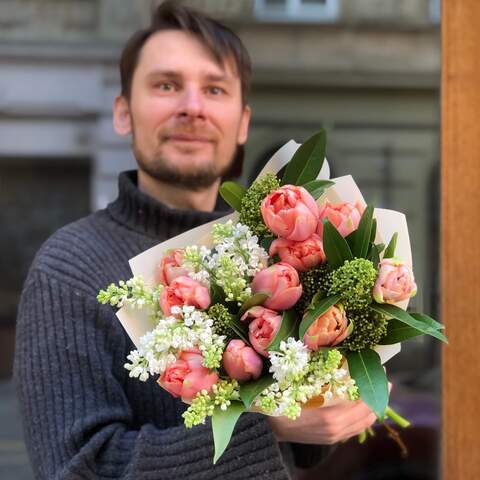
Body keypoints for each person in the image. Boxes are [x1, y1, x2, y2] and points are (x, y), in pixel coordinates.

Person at [14, 2, 377, 479]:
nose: (192, 106)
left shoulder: (272, 251)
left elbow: (300, 449)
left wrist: (331, 401)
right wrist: (267, 429)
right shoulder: (69, 269)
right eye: (166, 85)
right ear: (124, 112)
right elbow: (79, 469)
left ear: (242, 121)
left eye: (214, 88)